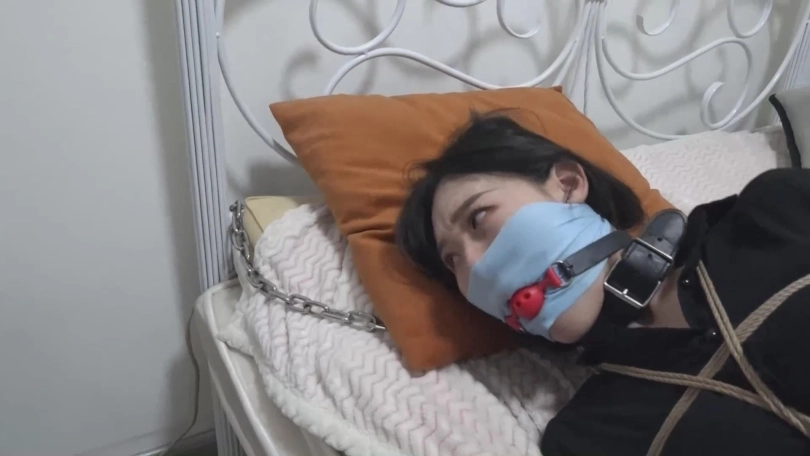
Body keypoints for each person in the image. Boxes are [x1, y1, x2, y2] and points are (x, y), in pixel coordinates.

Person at [395, 112, 810, 456]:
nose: (474, 266)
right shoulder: (586, 439)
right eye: (452, 260)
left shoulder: (774, 213)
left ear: (568, 184)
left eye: (479, 218)